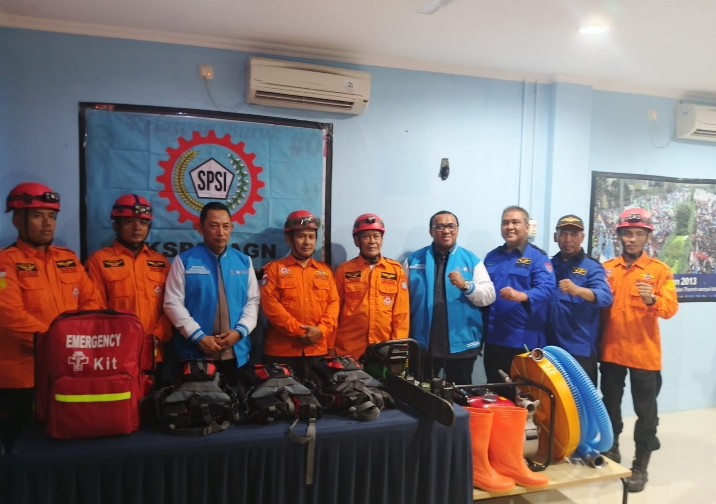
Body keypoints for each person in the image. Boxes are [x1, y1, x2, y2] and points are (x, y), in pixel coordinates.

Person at [0, 182, 102, 451]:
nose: (47, 223)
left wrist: (74, 344)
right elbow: (9, 316)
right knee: (20, 452)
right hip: (22, 379)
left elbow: (92, 302)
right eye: (37, 215)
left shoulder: (67, 259)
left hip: (67, 372)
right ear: (17, 220)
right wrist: (63, 342)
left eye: (52, 216)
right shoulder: (5, 262)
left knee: (65, 446)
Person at [599, 207, 678, 493]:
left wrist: (651, 300)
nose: (632, 239)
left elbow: (670, 308)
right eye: (627, 234)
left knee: (646, 414)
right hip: (610, 352)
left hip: (644, 355)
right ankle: (612, 449)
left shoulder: (659, 271)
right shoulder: (606, 269)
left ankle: (640, 465)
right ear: (619, 235)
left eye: (638, 234)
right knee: (610, 405)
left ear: (647, 237)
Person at [163, 202, 259, 387]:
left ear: (232, 228)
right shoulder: (184, 261)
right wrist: (198, 336)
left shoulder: (244, 261)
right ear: (200, 228)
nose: (220, 232)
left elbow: (252, 301)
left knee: (235, 401)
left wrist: (239, 332)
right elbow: (172, 303)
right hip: (195, 354)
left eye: (225, 226)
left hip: (235, 352)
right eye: (214, 226)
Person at [86, 194, 172, 383]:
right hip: (115, 352)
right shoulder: (99, 261)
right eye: (128, 222)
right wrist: (117, 338)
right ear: (116, 226)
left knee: (154, 399)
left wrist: (157, 335)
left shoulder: (160, 262)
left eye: (143, 222)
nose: (137, 228)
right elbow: (94, 309)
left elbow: (171, 307)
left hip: (154, 352)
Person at [404, 210, 495, 385]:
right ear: (431, 231)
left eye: (451, 226)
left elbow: (489, 296)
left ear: (457, 230)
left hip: (462, 346)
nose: (446, 231)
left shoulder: (471, 260)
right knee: (421, 395)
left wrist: (466, 285)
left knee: (461, 395)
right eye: (440, 226)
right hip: (423, 346)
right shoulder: (414, 260)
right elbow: (401, 301)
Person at [260, 210, 339, 380]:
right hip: (281, 352)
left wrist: (320, 330)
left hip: (317, 350)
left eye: (311, 237)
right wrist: (300, 331)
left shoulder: (325, 271)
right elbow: (271, 307)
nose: (307, 242)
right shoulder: (274, 269)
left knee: (318, 395)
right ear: (289, 239)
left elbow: (333, 305)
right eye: (301, 236)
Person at [483, 205, 555, 389]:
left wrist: (521, 295)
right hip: (493, 339)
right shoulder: (491, 257)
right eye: (505, 223)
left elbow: (547, 289)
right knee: (495, 392)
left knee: (524, 395)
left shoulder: (538, 257)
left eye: (515, 222)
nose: (510, 227)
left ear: (527, 227)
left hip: (523, 340)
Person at [546, 214, 612, 386]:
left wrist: (578, 290)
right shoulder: (549, 265)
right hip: (551, 347)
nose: (568, 239)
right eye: (563, 234)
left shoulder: (592, 267)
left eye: (574, 234)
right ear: (555, 237)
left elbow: (605, 297)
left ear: (582, 238)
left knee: (582, 400)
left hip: (579, 349)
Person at [333, 214, 409, 359]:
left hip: (384, 348)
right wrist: (331, 347)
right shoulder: (344, 270)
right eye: (366, 236)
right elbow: (334, 311)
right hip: (349, 349)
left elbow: (401, 313)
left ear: (381, 240)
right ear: (357, 241)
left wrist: (399, 348)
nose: (372, 241)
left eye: (376, 236)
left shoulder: (395, 270)